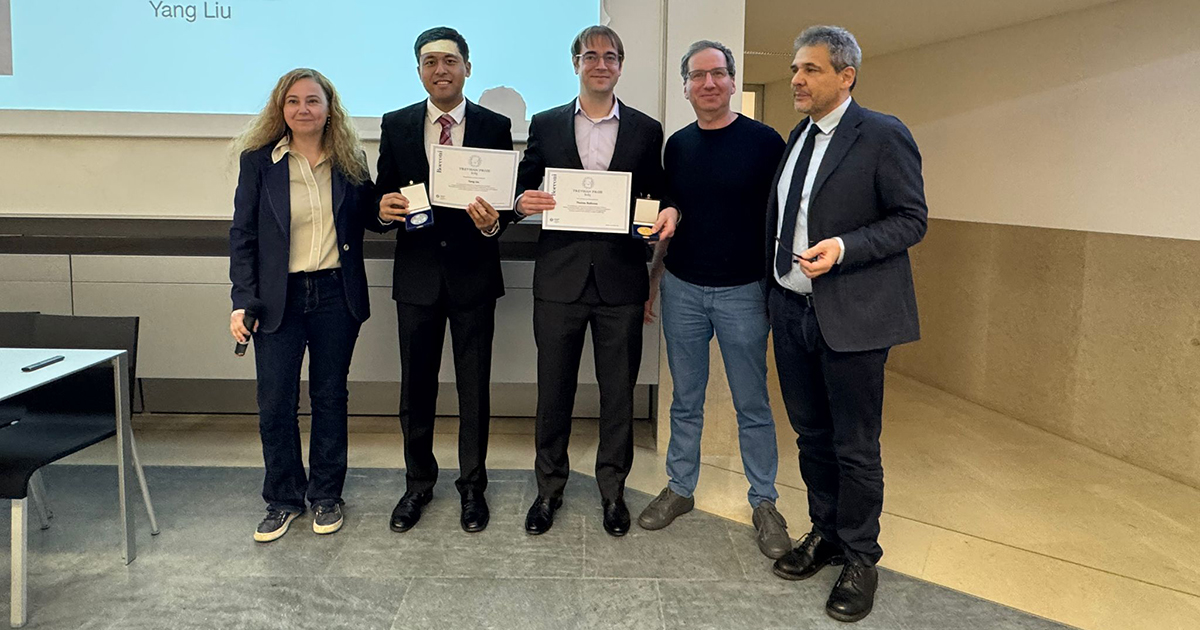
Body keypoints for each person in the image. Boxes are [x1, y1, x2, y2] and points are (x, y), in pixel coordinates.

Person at [765, 26, 927, 623]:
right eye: (794, 69)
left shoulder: (883, 134)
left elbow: (911, 219)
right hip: (791, 307)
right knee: (809, 435)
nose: (796, 80)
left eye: (809, 69)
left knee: (855, 445)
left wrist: (843, 246)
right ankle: (826, 534)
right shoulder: (796, 136)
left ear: (845, 75)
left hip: (853, 314)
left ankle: (861, 557)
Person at [514, 25, 679, 537]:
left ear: (621, 65)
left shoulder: (648, 130)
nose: (600, 64)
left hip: (621, 282)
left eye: (610, 56)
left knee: (618, 396)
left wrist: (665, 211)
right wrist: (522, 202)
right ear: (576, 63)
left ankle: (613, 492)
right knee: (553, 392)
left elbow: (658, 192)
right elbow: (524, 184)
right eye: (591, 56)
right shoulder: (545, 123)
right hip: (559, 280)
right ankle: (548, 491)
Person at [637, 40, 790, 559]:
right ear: (685, 87)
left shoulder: (766, 142)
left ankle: (765, 502)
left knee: (752, 403)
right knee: (685, 401)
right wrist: (655, 280)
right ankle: (680, 489)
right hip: (682, 289)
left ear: (731, 81)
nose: (709, 83)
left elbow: (784, 217)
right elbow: (670, 212)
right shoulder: (677, 146)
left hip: (745, 293)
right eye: (698, 75)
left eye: (718, 74)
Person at [371, 26, 515, 535]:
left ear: (467, 68)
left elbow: (504, 206)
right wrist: (383, 210)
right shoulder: (397, 124)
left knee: (474, 390)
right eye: (429, 61)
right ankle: (418, 484)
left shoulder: (496, 126)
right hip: (417, 279)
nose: (440, 70)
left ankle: (472, 488)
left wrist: (493, 222)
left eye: (450, 61)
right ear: (419, 71)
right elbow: (381, 197)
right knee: (417, 389)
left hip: (474, 277)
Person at [229, 68, 376, 542]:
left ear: (329, 108)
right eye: (292, 101)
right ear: (281, 109)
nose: (303, 109)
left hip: (336, 293)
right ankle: (283, 499)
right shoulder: (259, 162)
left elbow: (371, 216)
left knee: (330, 398)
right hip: (280, 299)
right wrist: (242, 301)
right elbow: (243, 237)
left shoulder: (351, 160)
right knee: (275, 402)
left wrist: (394, 210)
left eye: (312, 100)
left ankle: (327, 495)